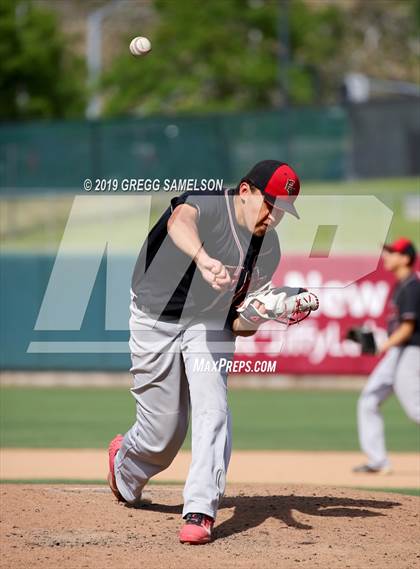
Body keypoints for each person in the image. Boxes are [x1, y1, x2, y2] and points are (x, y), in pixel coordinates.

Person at [107, 160, 303, 544]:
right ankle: (125, 464)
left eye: (283, 210)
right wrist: (204, 259)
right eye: (270, 203)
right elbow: (179, 221)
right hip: (154, 316)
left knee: (213, 407)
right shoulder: (210, 203)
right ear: (245, 191)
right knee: (163, 436)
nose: (274, 215)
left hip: (208, 322)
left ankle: (201, 509)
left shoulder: (267, 251)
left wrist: (265, 314)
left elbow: (236, 325)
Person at [354, 237, 420, 474]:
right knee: (368, 400)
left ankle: (378, 461)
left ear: (406, 258)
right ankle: (378, 461)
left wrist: (383, 346)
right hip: (397, 351)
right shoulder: (401, 285)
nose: (387, 256)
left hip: (411, 351)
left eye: (393, 253)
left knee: (415, 409)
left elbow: (407, 328)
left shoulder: (412, 286)